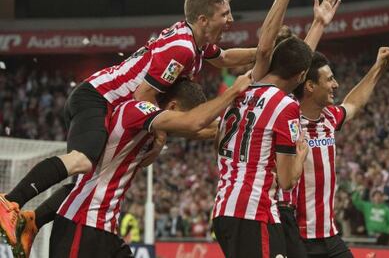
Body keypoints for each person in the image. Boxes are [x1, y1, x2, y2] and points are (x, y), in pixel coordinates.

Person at [0, 0, 258, 247]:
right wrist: (159, 137)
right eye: (224, 14)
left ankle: (32, 221)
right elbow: (143, 95)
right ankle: (10, 201)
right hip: (98, 98)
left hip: (104, 100)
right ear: (203, 19)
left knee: (87, 180)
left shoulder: (194, 41)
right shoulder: (182, 49)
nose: (230, 20)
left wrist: (262, 53)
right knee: (82, 161)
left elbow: (224, 58)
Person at [35, 76, 250, 258]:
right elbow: (194, 124)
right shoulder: (137, 110)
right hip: (81, 223)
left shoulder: (150, 127)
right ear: (173, 107)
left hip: (103, 227)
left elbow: (205, 129)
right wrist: (233, 91)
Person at [212, 0, 312, 257]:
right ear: (301, 76)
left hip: (224, 209)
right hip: (253, 212)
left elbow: (265, 46)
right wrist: (301, 152)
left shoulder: (243, 87)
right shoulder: (285, 105)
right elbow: (286, 179)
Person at [284, 47, 389, 258]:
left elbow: (353, 103)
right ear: (309, 86)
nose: (335, 85)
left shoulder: (330, 117)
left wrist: (378, 67)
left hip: (330, 235)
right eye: (329, 79)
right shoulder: (289, 124)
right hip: (298, 239)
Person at [276, 0, 341, 258]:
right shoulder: (277, 101)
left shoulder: (284, 102)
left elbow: (300, 67)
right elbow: (287, 181)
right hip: (282, 216)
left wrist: (318, 24)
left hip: (320, 230)